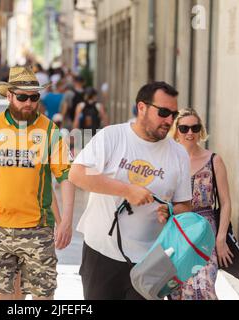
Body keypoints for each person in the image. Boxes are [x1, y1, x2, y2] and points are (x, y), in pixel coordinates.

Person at [68, 81, 193, 300]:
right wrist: (126, 190)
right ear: (142, 107)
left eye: (174, 114)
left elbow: (185, 205)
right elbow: (77, 174)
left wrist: (171, 211)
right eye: (163, 112)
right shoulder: (112, 136)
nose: (169, 121)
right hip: (102, 252)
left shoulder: (179, 154)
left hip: (150, 261)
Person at [0, 66, 75, 300]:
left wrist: (66, 221)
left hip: (39, 228)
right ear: (9, 95)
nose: (29, 103)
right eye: (22, 97)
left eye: (34, 97)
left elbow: (65, 178)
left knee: (43, 298)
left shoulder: (50, 131)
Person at [168, 108, 233, 300]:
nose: (190, 133)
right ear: (176, 130)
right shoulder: (168, 160)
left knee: (203, 287)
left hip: (205, 231)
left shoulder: (214, 160)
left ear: (201, 130)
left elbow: (226, 202)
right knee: (176, 290)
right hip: (176, 231)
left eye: (195, 128)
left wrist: (220, 239)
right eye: (184, 128)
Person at [0, 170, 64, 300]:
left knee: (20, 282)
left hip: (31, 231)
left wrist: (60, 222)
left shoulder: (35, 157)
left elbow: (47, 190)